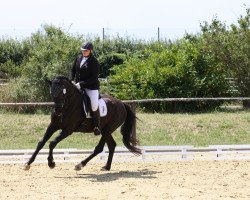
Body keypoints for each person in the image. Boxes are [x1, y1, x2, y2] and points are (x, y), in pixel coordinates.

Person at [70, 42, 101, 135]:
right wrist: (71, 80)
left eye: (86, 50)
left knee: (94, 105)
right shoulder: (78, 58)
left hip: (91, 87)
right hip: (77, 85)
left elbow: (94, 78)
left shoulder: (94, 62)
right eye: (83, 50)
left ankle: (97, 126)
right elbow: (73, 70)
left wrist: (81, 84)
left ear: (90, 51)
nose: (84, 52)